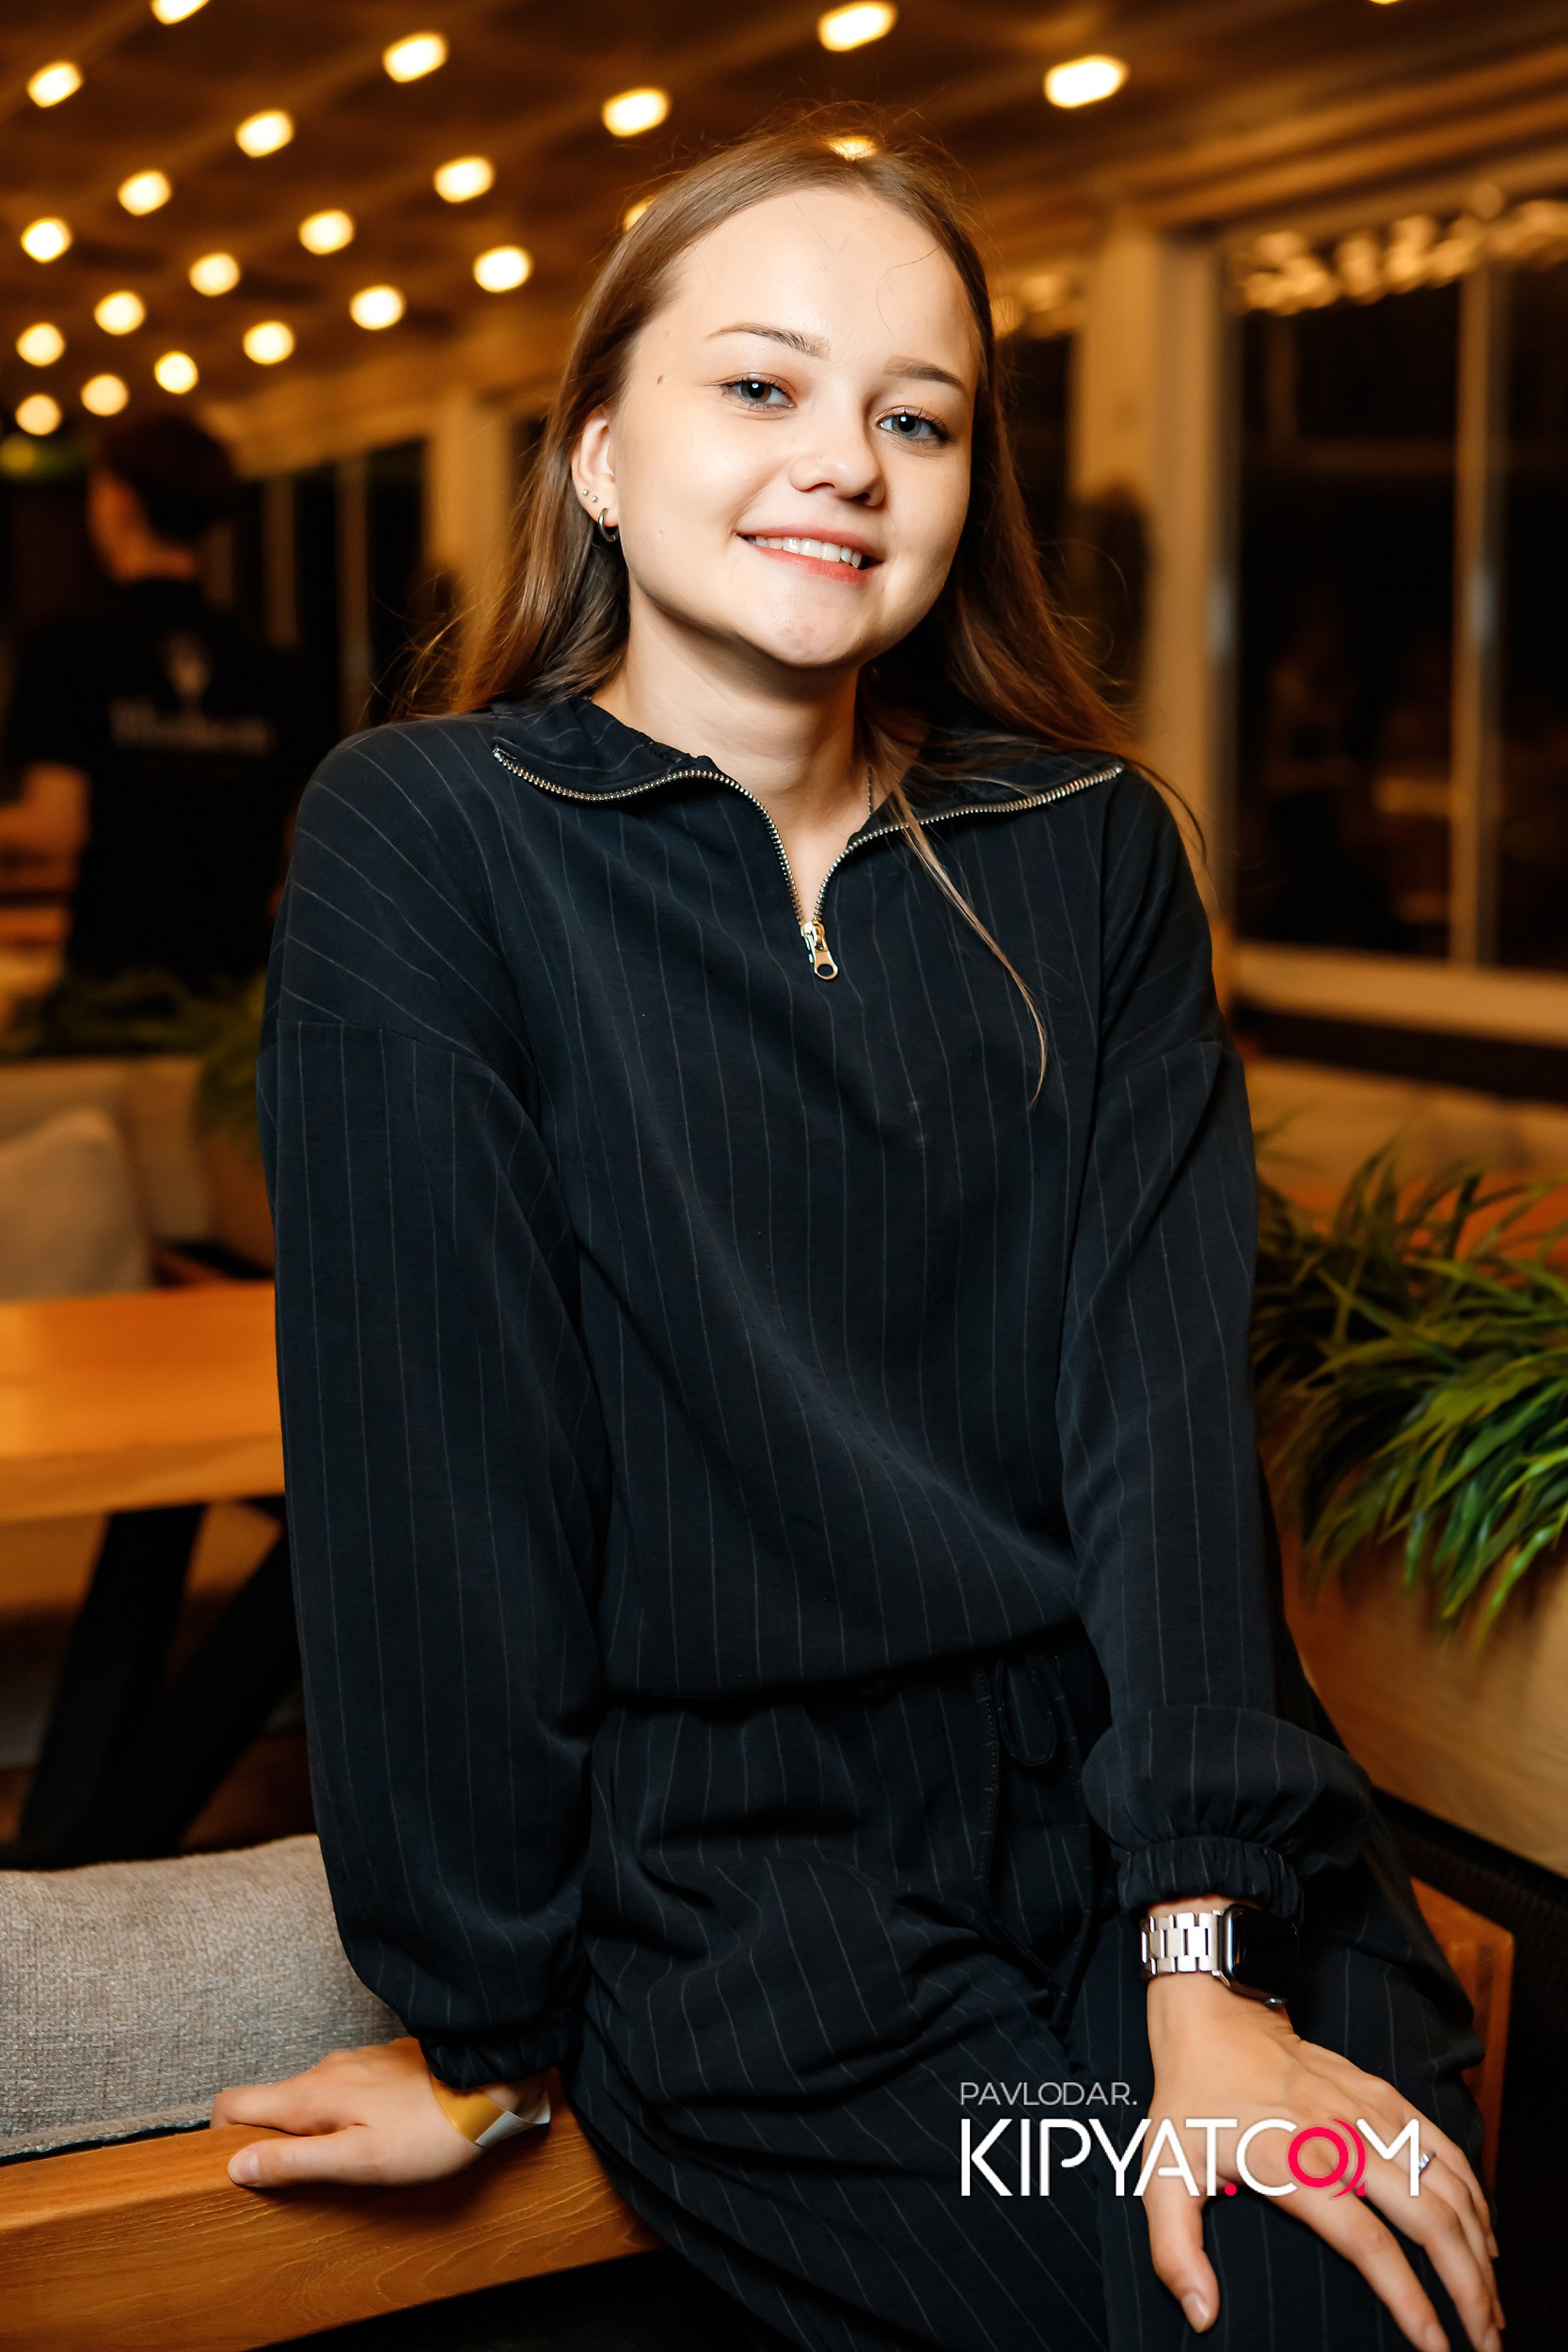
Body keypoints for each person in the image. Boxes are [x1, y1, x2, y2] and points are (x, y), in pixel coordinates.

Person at [215, 123, 1503, 2352]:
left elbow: (1160, 1428)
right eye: (760, 386)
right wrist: (482, 2022)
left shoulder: (1087, 851)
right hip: (762, 1907)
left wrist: (1202, 1973)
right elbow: (437, 1476)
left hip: (1157, 1841)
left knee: (1310, 2242)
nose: (846, 460)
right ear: (596, 451)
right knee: (1183, 2278)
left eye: (917, 417)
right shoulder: (429, 839)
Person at [0, 412, 318, 997]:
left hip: (114, 993)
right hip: (239, 995)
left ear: (119, 499)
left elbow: (52, 829)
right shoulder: (272, 664)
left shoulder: (69, 647)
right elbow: (298, 844)